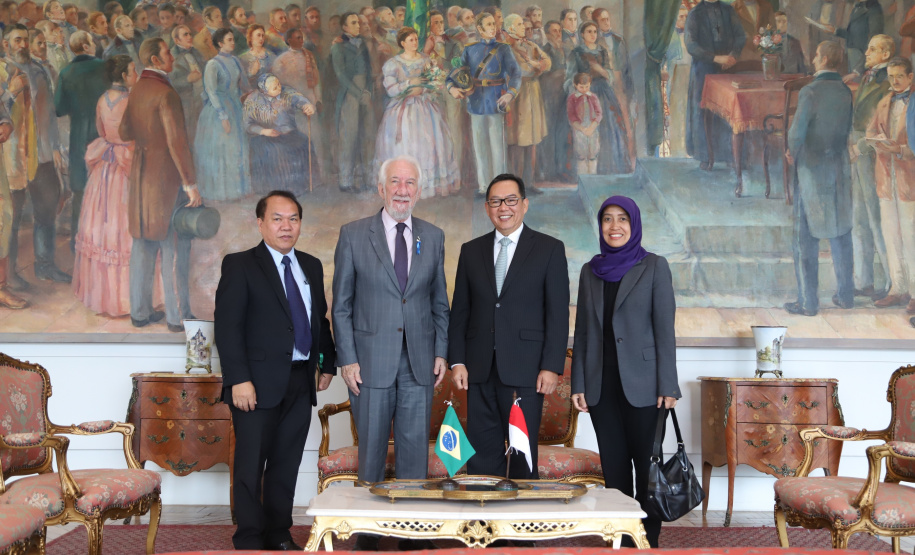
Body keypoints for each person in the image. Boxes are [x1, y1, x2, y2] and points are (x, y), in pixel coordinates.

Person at [332, 156, 449, 551]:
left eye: (410, 182)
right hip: (368, 364)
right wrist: (346, 358)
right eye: (395, 182)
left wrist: (441, 352)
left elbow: (439, 303)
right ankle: (370, 534)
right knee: (372, 451)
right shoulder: (352, 234)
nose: (403, 189)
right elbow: (342, 304)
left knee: (415, 451)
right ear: (381, 189)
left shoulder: (432, 236)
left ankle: (412, 534)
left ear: (419, 190)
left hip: (419, 362)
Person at [215, 190, 336, 551]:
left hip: (300, 381)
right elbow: (227, 326)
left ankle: (279, 533)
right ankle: (250, 538)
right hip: (255, 384)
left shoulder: (311, 265)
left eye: (293, 219)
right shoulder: (240, 265)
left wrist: (326, 362)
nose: (287, 226)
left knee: (286, 464)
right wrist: (238, 379)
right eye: (278, 219)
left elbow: (319, 320)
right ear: (261, 223)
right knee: (251, 467)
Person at [571, 195, 680, 549]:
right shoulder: (590, 271)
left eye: (622, 219)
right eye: (607, 219)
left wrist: (669, 385)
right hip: (602, 389)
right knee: (615, 473)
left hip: (645, 387)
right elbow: (584, 331)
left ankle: (647, 541)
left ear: (633, 225)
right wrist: (579, 383)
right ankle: (620, 537)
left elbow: (665, 330)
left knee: (647, 472)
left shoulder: (654, 266)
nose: (614, 226)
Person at [448, 173, 569, 480]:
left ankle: (523, 525)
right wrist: (458, 360)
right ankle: (483, 526)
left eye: (511, 200)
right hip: (479, 370)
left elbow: (557, 314)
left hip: (527, 372)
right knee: (482, 458)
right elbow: (460, 312)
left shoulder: (549, 249)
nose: (504, 207)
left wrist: (552, 366)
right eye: (496, 201)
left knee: (522, 458)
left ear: (524, 205)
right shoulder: (470, 250)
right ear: (487, 208)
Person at [120, 37, 202, 331]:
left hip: (141, 178)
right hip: (167, 180)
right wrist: (190, 183)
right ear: (155, 60)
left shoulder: (138, 89)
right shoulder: (167, 94)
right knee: (174, 246)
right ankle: (177, 317)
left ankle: (139, 312)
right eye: (168, 53)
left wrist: (146, 141)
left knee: (142, 243)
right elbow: (177, 143)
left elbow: (124, 129)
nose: (172, 57)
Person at [784, 40, 855, 316]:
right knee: (841, 231)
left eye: (815, 54)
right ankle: (846, 296)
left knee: (805, 237)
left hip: (811, 167)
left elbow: (796, 132)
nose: (813, 59)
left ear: (824, 58)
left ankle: (808, 302)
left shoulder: (810, 91)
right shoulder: (845, 92)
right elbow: (847, 127)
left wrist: (792, 152)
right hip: (838, 166)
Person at [72, 55, 142, 316]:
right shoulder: (131, 100)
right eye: (133, 70)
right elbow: (136, 132)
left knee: (104, 227)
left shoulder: (103, 99)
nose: (136, 74)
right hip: (125, 165)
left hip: (105, 170)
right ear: (124, 75)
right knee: (121, 228)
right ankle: (123, 300)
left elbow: (101, 130)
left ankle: (104, 296)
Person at [2, 24, 69, 288]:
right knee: (12, 220)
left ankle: (45, 266)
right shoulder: (2, 72)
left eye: (25, 40)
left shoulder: (39, 71)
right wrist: (12, 92)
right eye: (17, 40)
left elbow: (49, 113)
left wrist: (54, 146)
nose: (22, 45)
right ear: (6, 44)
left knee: (46, 212)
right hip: (12, 158)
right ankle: (10, 275)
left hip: (41, 155)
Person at [375, 27, 459, 198]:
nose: (414, 43)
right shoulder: (393, 63)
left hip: (425, 108)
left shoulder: (425, 60)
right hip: (403, 110)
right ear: (402, 43)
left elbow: (434, 83)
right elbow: (391, 90)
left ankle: (427, 185)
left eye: (415, 39)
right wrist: (408, 84)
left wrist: (425, 90)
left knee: (429, 142)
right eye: (411, 40)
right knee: (406, 143)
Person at [446, 12, 520, 197]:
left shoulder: (504, 49)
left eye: (494, 24)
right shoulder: (470, 49)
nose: (493, 28)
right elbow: (453, 75)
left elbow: (516, 74)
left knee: (497, 147)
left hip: (496, 100)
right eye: (488, 25)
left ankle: (500, 186)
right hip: (476, 101)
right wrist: (452, 89)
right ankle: (484, 186)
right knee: (480, 147)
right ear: (479, 29)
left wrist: (510, 94)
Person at [866, 56, 915, 313]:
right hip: (886, 177)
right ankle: (898, 288)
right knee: (891, 234)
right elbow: (871, 130)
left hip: (910, 179)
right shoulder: (884, 101)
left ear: (910, 77)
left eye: (899, 76)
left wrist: (902, 149)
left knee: (911, 236)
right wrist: (876, 141)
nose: (894, 81)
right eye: (891, 76)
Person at [55, 30, 109, 252]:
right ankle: (105, 240)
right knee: (106, 187)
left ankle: (78, 241)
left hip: (78, 134)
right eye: (92, 41)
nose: (95, 44)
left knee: (80, 189)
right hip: (103, 132)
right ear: (86, 46)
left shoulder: (66, 72)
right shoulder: (105, 67)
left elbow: (59, 109)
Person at [851, 34, 893, 302]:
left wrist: (860, 147)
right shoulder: (868, 77)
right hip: (856, 150)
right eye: (867, 47)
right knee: (859, 218)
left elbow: (882, 126)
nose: (866, 52)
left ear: (886, 55)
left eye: (873, 49)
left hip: (873, 154)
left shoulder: (890, 82)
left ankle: (893, 283)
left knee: (878, 219)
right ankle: (864, 281)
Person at [685, 0, 746, 170]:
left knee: (729, 110)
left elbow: (741, 36)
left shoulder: (729, 10)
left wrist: (733, 55)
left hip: (728, 68)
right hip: (703, 69)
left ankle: (729, 155)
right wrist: (715, 58)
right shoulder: (695, 14)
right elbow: (691, 45)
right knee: (704, 111)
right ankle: (705, 155)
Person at [566, 21, 629, 174]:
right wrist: (577, 93)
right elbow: (570, 76)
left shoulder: (602, 51)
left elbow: (609, 75)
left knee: (610, 124)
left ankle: (609, 166)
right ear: (582, 34)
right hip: (584, 93)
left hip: (603, 91)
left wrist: (599, 69)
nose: (593, 34)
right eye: (589, 31)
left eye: (595, 31)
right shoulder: (576, 53)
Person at [196, 28, 251, 202]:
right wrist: (223, 116)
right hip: (218, 111)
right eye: (229, 40)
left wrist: (252, 95)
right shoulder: (212, 64)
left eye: (233, 39)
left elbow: (245, 84)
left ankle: (238, 189)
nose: (233, 43)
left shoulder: (235, 61)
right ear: (220, 43)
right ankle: (223, 192)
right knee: (224, 149)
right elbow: (211, 92)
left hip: (235, 107)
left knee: (237, 147)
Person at [244, 73, 316, 196]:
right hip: (264, 136)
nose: (279, 88)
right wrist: (263, 131)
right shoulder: (252, 100)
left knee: (304, 141)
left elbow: (299, 99)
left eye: (278, 84)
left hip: (289, 133)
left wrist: (307, 105)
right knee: (275, 151)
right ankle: (277, 190)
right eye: (274, 87)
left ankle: (300, 186)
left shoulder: (287, 92)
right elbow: (247, 125)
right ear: (264, 91)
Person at [504, 13, 549, 192]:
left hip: (532, 97)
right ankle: (516, 183)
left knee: (532, 140)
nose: (523, 27)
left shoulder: (530, 45)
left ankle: (529, 183)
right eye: (520, 25)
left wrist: (537, 66)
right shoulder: (507, 49)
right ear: (511, 29)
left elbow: (547, 61)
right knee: (517, 141)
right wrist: (536, 68)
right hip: (518, 98)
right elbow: (521, 71)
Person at [331, 12, 376, 192]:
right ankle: (346, 181)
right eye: (354, 23)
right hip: (350, 93)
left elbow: (370, 70)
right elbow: (341, 75)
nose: (358, 26)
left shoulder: (363, 44)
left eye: (358, 22)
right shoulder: (338, 47)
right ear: (345, 27)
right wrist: (358, 93)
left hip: (365, 92)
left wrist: (369, 92)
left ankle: (367, 178)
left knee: (368, 135)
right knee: (349, 136)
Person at [170, 24, 205, 145]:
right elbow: (170, 82)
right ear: (176, 40)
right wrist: (188, 79)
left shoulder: (196, 52)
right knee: (191, 134)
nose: (189, 37)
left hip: (202, 98)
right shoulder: (171, 57)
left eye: (190, 34)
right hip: (187, 102)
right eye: (185, 35)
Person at [828, 0, 884, 76]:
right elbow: (854, 34)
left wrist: (859, 69)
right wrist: (835, 31)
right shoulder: (858, 6)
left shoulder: (874, 9)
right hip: (852, 52)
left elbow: (875, 39)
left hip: (862, 55)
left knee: (858, 81)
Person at [568, 72, 601, 174]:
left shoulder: (593, 97)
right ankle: (583, 178)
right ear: (575, 85)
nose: (584, 89)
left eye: (587, 87)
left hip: (592, 128)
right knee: (581, 154)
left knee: (593, 153)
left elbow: (599, 113)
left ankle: (592, 177)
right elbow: (571, 116)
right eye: (581, 87)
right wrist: (582, 129)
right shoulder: (572, 98)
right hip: (579, 129)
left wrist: (592, 127)